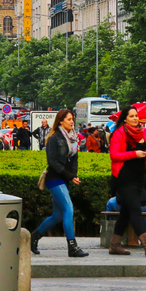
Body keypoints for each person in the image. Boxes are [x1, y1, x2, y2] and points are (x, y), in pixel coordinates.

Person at [30, 108, 88, 258]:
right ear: (61, 121)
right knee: (69, 208)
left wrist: (73, 176)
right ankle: (72, 247)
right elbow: (52, 162)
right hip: (54, 179)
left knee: (57, 216)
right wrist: (69, 176)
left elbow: (74, 159)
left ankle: (34, 237)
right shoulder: (54, 138)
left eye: (72, 119)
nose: (72, 121)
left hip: (65, 179)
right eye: (69, 119)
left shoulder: (74, 138)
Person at [108, 105, 146, 256]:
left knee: (125, 212)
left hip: (139, 177)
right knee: (135, 210)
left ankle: (114, 245)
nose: (135, 118)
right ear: (125, 119)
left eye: (136, 115)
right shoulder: (118, 133)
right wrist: (133, 154)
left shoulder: (143, 131)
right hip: (124, 178)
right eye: (131, 116)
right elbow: (114, 155)